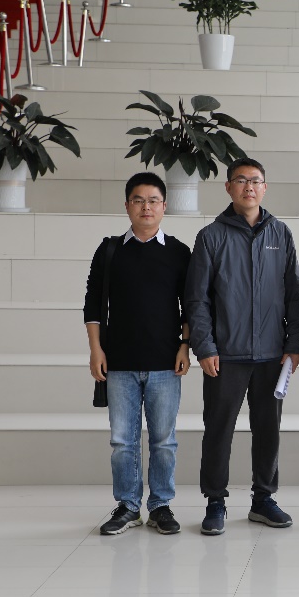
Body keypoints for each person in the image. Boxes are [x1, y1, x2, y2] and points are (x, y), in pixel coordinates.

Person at [186, 158, 299, 536]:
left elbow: (294, 293)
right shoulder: (210, 236)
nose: (249, 187)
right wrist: (205, 347)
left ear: (265, 188)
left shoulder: (281, 234)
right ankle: (215, 501)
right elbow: (197, 300)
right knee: (218, 429)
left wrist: (296, 342)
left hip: (272, 353)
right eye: (241, 180)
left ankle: (263, 499)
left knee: (268, 429)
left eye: (256, 181)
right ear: (229, 187)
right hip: (225, 355)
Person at [84, 172, 191, 536]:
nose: (146, 207)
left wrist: (185, 346)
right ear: (127, 205)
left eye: (153, 201)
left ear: (164, 206)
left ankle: (160, 505)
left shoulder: (178, 252)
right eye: (138, 200)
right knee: (122, 442)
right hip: (119, 363)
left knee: (164, 441)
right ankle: (128, 505)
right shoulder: (110, 250)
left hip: (165, 364)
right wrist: (96, 349)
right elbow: (93, 305)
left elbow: (191, 306)